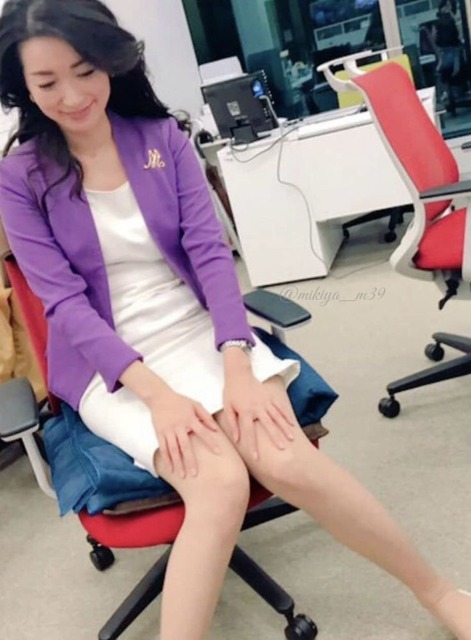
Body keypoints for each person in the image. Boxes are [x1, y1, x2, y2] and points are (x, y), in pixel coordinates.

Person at [0, 2, 469, 640]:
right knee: (218, 484)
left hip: (199, 329)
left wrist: (238, 364)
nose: (73, 95)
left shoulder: (161, 140)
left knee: (289, 462)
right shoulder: (20, 177)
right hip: (109, 365)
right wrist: (159, 397)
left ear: (109, 60)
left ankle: (438, 592)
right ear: (23, 88)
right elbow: (63, 305)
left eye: (84, 71)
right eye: (47, 82)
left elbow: (212, 257)